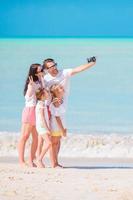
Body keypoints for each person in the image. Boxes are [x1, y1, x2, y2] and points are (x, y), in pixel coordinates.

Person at [42, 57, 96, 167]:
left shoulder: (64, 73)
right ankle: (52, 163)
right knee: (53, 141)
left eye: (54, 65)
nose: (54, 67)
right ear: (46, 69)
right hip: (53, 111)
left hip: (61, 110)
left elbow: (78, 69)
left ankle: (55, 162)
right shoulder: (46, 79)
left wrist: (91, 63)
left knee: (58, 140)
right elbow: (40, 92)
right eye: (51, 67)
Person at [18, 63, 43, 167]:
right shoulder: (31, 83)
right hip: (29, 111)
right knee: (24, 137)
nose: (42, 72)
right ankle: (21, 161)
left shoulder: (40, 82)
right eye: (40, 71)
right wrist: (31, 87)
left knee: (36, 138)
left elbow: (43, 92)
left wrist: (41, 80)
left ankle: (30, 160)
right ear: (35, 73)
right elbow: (28, 97)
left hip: (37, 111)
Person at [49, 84, 67, 167]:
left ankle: (56, 162)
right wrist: (62, 129)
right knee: (54, 144)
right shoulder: (56, 102)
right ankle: (53, 163)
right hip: (56, 126)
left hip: (60, 126)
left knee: (57, 143)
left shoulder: (61, 100)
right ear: (56, 92)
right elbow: (57, 117)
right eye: (60, 88)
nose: (62, 88)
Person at [35, 88, 52, 168]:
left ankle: (39, 161)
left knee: (41, 143)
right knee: (49, 143)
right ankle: (39, 159)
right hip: (42, 126)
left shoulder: (41, 103)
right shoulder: (41, 104)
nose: (48, 93)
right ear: (42, 95)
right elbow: (42, 117)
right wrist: (47, 128)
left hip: (40, 126)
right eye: (46, 93)